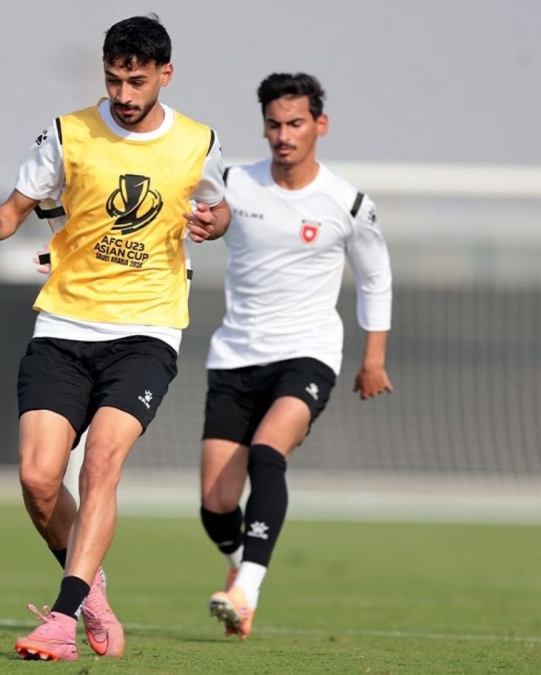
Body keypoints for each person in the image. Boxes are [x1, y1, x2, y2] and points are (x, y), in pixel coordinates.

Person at [0, 14, 230, 661]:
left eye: (138, 82)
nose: (125, 95)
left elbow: (218, 210)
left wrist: (212, 224)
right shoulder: (67, 133)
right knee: (38, 480)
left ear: (165, 74)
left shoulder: (198, 142)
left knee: (102, 461)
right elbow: (15, 209)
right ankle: (92, 590)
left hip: (146, 332)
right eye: (114, 80)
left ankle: (63, 616)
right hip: (63, 326)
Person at [198, 72, 393, 640]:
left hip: (307, 354)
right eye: (274, 124)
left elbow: (375, 279)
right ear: (264, 126)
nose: (284, 135)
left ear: (319, 125)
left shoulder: (346, 202)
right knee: (216, 505)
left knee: (268, 453)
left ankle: (247, 589)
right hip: (234, 356)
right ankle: (241, 564)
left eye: (296, 124)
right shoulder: (232, 183)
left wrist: (373, 360)